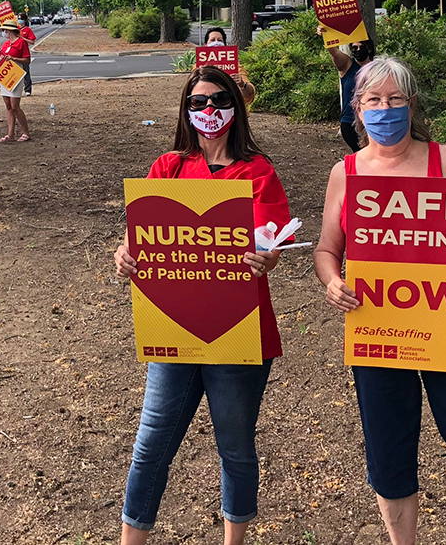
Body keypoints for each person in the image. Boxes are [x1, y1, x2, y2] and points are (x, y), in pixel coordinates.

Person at [312, 57, 446, 545]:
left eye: (395, 99)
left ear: (412, 106)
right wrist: (331, 282)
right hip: (378, 334)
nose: (385, 109)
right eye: (374, 100)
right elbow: (327, 250)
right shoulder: (344, 173)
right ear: (357, 110)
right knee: (389, 460)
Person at [112, 66, 291, 545]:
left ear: (236, 107)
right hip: (174, 329)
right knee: (150, 446)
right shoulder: (167, 166)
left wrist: (265, 257)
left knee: (234, 448)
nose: (208, 110)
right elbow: (140, 236)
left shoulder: (259, 172)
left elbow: (270, 243)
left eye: (218, 100)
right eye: (197, 102)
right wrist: (124, 254)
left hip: (238, 330)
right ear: (185, 110)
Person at [318, 25, 374, 152]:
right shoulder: (347, 65)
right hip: (350, 122)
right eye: (355, 47)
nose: (358, 50)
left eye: (361, 47)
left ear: (369, 49)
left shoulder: (377, 68)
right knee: (361, 153)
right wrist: (326, 35)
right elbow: (332, 51)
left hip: (372, 120)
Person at [202, 26, 256, 105]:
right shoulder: (199, 66)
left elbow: (249, 95)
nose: (216, 43)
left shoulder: (234, 66)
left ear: (224, 44)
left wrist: (242, 84)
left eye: (220, 40)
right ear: (205, 45)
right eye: (213, 40)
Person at [0, 22, 32, 143]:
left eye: (5, 30)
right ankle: (10, 134)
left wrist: (14, 58)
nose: (4, 33)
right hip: (5, 75)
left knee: (15, 106)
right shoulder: (6, 44)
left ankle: (25, 132)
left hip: (15, 74)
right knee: (8, 105)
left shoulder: (21, 42)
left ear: (9, 30)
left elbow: (27, 60)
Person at [18, 13, 37, 96]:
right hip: (16, 53)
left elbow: (32, 42)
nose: (19, 20)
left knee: (26, 72)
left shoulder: (27, 30)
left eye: (20, 18)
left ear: (24, 20)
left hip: (24, 54)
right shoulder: (16, 29)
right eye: (18, 18)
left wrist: (23, 38)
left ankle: (28, 89)